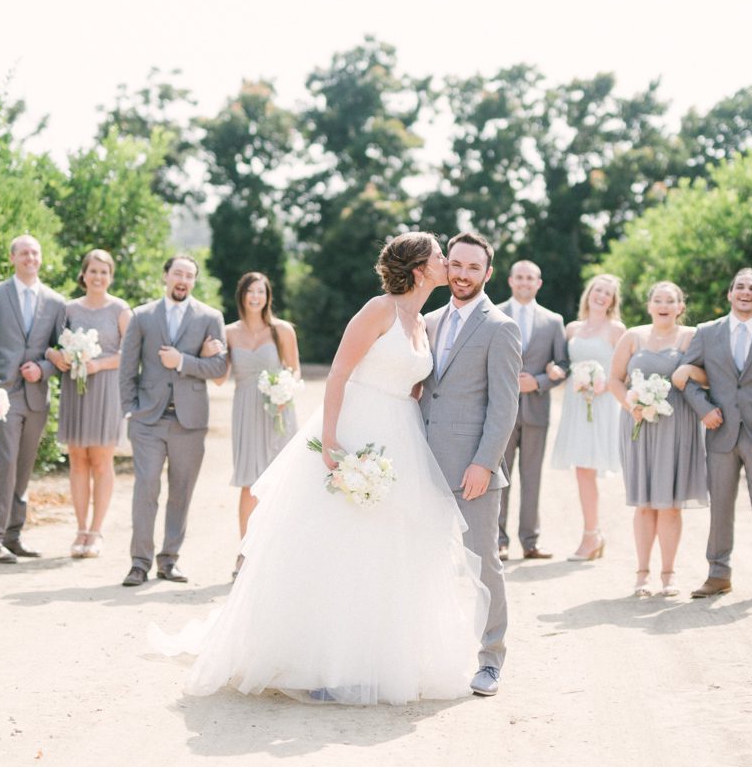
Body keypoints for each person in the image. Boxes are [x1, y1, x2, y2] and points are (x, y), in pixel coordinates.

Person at [160, 232, 490, 705]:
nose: (447, 263)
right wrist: (332, 439)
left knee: (388, 548)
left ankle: (375, 659)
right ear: (420, 268)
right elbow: (338, 372)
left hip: (401, 437)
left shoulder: (423, 323)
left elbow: (415, 383)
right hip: (358, 427)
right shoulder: (379, 309)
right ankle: (319, 659)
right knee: (338, 539)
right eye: (440, 256)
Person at [420, 230, 523, 697]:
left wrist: (485, 463)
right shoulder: (425, 320)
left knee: (484, 567)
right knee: (418, 564)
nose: (462, 274)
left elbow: (504, 407)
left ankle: (491, 660)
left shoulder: (501, 327)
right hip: (421, 463)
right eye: (456, 265)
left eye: (472, 267)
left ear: (488, 273)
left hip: (472, 471)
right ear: (446, 267)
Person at [672, 268, 752, 601]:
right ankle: (718, 574)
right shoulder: (707, 332)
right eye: (740, 287)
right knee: (720, 507)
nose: (746, 292)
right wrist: (704, 409)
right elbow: (685, 377)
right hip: (721, 434)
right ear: (729, 294)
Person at [118, 254, 229, 586]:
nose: (183, 280)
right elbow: (127, 367)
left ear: (194, 281)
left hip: (190, 421)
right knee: (146, 487)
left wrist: (184, 360)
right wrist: (130, 408)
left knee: (181, 491)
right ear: (166, 276)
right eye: (177, 273)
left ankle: (169, 560)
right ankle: (139, 563)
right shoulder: (142, 316)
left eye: (189, 275)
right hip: (147, 419)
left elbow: (219, 369)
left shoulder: (211, 317)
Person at [608, 281, 707, 598]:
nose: (664, 305)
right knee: (645, 503)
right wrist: (631, 404)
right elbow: (614, 379)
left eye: (671, 300)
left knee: (670, 505)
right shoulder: (632, 337)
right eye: (658, 299)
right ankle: (641, 574)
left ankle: (668, 574)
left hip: (678, 425)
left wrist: (689, 369)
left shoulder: (692, 337)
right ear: (649, 305)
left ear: (681, 307)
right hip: (639, 425)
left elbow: (708, 376)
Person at [0, 235, 66, 564]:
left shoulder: (57, 302)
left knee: (25, 467)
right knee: (4, 464)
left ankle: (14, 536)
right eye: (24, 252)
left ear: (41, 259)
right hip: (2, 395)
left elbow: (61, 353)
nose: (30, 257)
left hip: (36, 396)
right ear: (12, 257)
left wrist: (42, 369)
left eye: (35, 253)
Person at [214, 270, 300, 579]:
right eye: (250, 291)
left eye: (261, 292)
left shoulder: (282, 330)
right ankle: (244, 554)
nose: (255, 297)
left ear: (267, 296)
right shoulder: (228, 332)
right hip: (245, 410)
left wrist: (283, 392)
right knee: (249, 483)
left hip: (278, 411)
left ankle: (279, 554)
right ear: (242, 295)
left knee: (278, 483)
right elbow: (220, 378)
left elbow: (295, 371)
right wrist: (208, 353)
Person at [46, 249, 130, 559]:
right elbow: (48, 346)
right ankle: (80, 529)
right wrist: (58, 356)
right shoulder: (67, 309)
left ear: (110, 276)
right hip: (74, 389)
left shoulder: (121, 310)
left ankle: (96, 531)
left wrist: (99, 365)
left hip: (106, 388)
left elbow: (130, 356)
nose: (98, 277)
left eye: (103, 272)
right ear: (84, 274)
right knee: (78, 459)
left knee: (101, 460)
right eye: (92, 271)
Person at [548, 273, 627, 562]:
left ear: (612, 301)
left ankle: (591, 536)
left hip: (601, 404)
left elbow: (626, 369)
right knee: (582, 469)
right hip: (575, 403)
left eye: (608, 293)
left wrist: (606, 383)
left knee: (586, 469)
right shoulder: (572, 329)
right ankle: (593, 534)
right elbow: (563, 363)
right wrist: (556, 370)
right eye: (598, 290)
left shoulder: (616, 330)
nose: (601, 296)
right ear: (589, 293)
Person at [498, 259, 568, 561]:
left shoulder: (554, 321)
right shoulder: (494, 314)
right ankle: (498, 541)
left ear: (539, 283)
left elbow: (564, 365)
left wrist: (538, 382)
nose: (525, 282)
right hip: (500, 412)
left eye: (531, 278)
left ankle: (530, 542)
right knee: (499, 478)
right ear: (511, 281)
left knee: (532, 478)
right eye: (520, 277)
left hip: (537, 410)